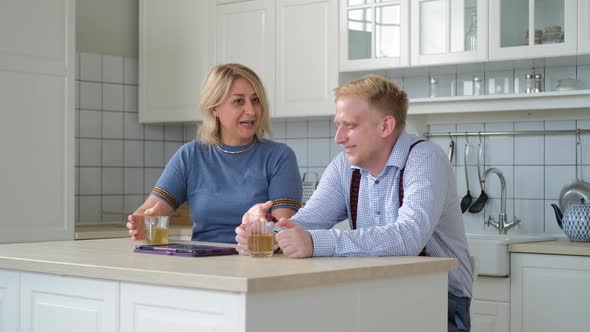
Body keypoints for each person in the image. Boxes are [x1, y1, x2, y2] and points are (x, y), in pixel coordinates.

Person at [235, 75, 473, 331]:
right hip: (375, 291)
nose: (338, 137)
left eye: (349, 125)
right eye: (338, 125)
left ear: (385, 126)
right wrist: (266, 232)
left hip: (439, 298)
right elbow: (309, 220)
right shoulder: (344, 166)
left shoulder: (424, 158)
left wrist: (315, 242)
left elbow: (409, 236)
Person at [127, 63, 302, 243]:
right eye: (238, 101)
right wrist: (141, 220)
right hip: (203, 264)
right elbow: (151, 210)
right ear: (214, 108)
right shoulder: (190, 155)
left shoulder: (279, 157)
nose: (251, 110)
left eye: (256, 100)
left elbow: (283, 230)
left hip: (258, 261)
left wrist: (263, 229)